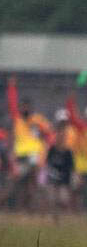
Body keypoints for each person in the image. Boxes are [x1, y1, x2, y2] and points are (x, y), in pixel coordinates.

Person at [3, 77, 54, 210]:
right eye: (23, 106)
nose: (25, 108)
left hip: (35, 156)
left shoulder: (38, 120)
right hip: (21, 157)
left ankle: (42, 207)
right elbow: (12, 103)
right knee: (14, 180)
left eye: (27, 106)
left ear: (31, 107)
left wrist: (46, 149)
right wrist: (12, 87)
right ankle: (15, 206)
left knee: (36, 180)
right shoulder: (17, 120)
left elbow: (49, 134)